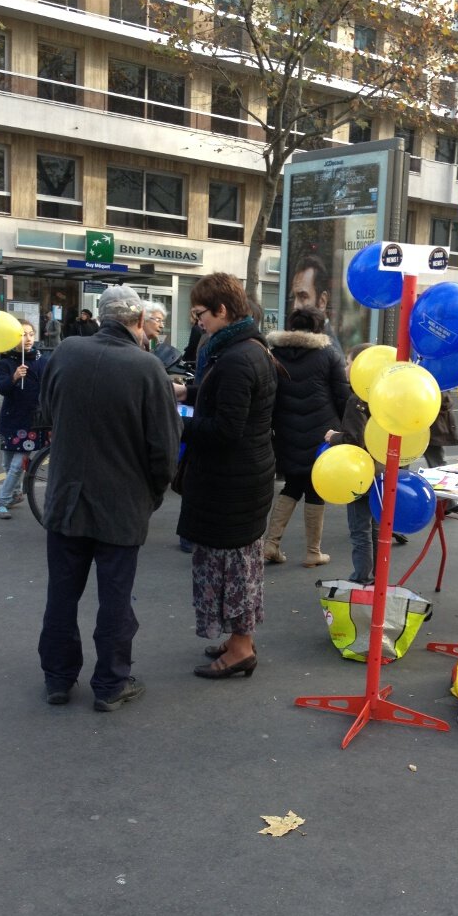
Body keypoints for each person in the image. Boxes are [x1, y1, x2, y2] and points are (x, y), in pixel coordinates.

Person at [37, 285, 180, 711]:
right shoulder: (147, 368)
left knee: (61, 593)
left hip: (66, 499)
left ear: (101, 318)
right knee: (115, 598)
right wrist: (152, 494)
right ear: (138, 323)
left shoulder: (65, 353)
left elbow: (48, 410)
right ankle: (111, 683)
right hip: (122, 503)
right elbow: (164, 449)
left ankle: (58, 678)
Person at [176, 273, 278, 680]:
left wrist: (177, 422)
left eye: (200, 313)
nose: (196, 321)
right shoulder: (247, 348)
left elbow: (226, 429)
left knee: (232, 569)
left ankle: (240, 649)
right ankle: (242, 639)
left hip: (232, 483)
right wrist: (191, 394)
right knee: (241, 565)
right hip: (244, 478)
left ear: (222, 310)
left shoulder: (236, 357)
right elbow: (233, 403)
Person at [264, 306, 349, 566]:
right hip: (322, 432)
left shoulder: (274, 354)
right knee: (316, 488)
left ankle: (271, 544)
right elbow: (342, 395)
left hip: (286, 431)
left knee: (292, 485)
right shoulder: (329, 354)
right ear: (319, 327)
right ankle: (313, 552)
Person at [324, 343, 381, 584]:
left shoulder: (356, 400)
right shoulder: (383, 395)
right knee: (377, 528)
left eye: (348, 363)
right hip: (381, 471)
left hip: (359, 472)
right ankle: (379, 575)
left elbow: (354, 439)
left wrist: (333, 436)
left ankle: (360, 577)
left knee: (360, 530)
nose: (345, 368)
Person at [0, 320, 48, 519]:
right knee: (7, 465)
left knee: (17, 466)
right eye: (23, 335)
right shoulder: (7, 362)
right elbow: (1, 387)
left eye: (31, 334)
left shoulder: (43, 361)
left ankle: (2, 501)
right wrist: (14, 377)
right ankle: (15, 494)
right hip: (11, 419)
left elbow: (50, 385)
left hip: (33, 422)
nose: (28, 338)